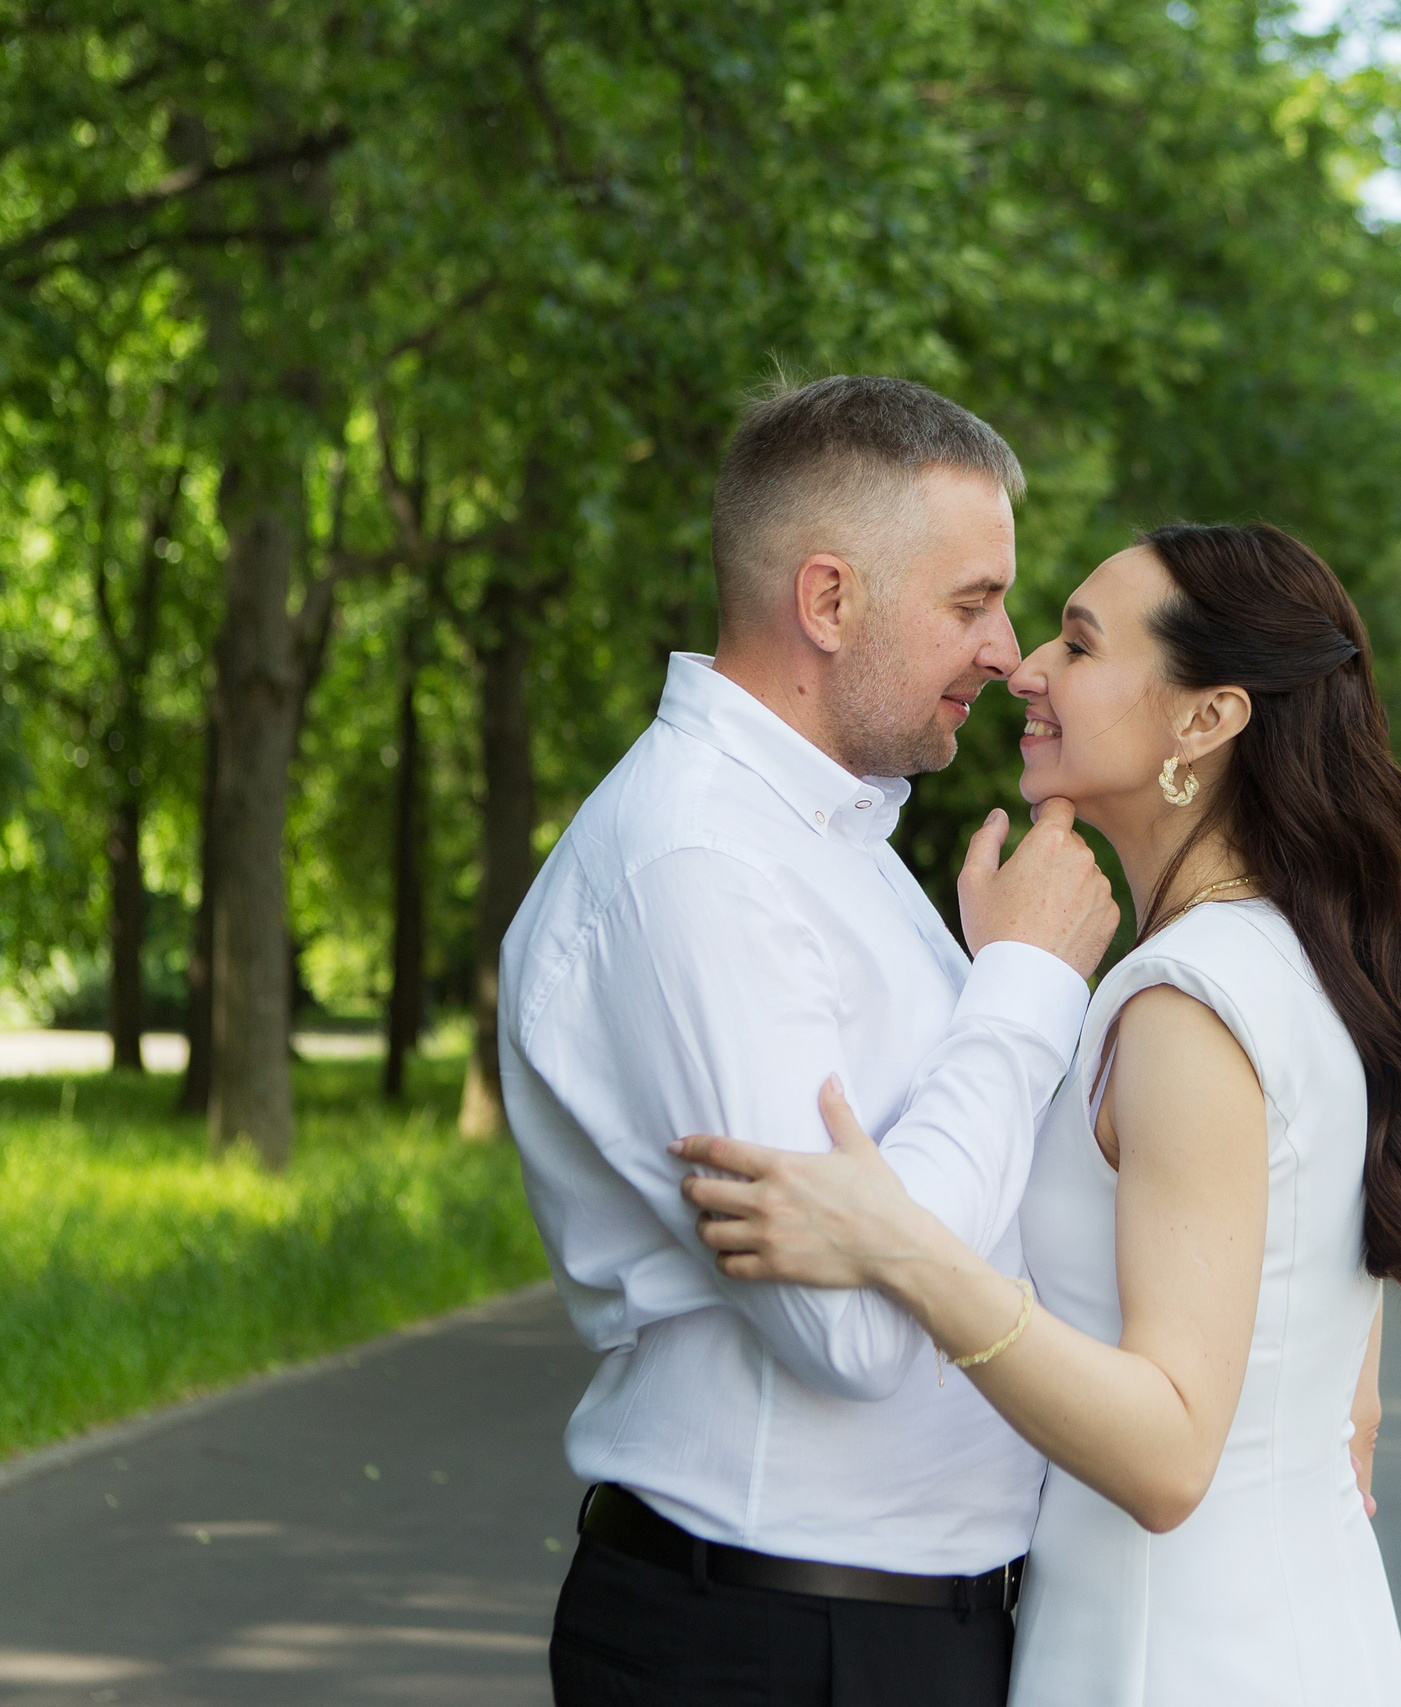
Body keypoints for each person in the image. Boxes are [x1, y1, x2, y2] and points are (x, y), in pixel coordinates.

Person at [676, 522, 1401, 1707]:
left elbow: (1165, 1457)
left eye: (1080, 644)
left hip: (1169, 1654)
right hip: (1286, 1627)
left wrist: (900, 1249)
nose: (1027, 668)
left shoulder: (1184, 1003)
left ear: (1205, 720)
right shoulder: (1292, 957)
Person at [498, 374, 1119, 1707]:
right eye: (972, 602)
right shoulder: (694, 863)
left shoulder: (836, 836)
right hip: (780, 1640)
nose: (1008, 652)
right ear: (829, 600)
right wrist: (1019, 988)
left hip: (882, 1631)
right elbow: (846, 1330)